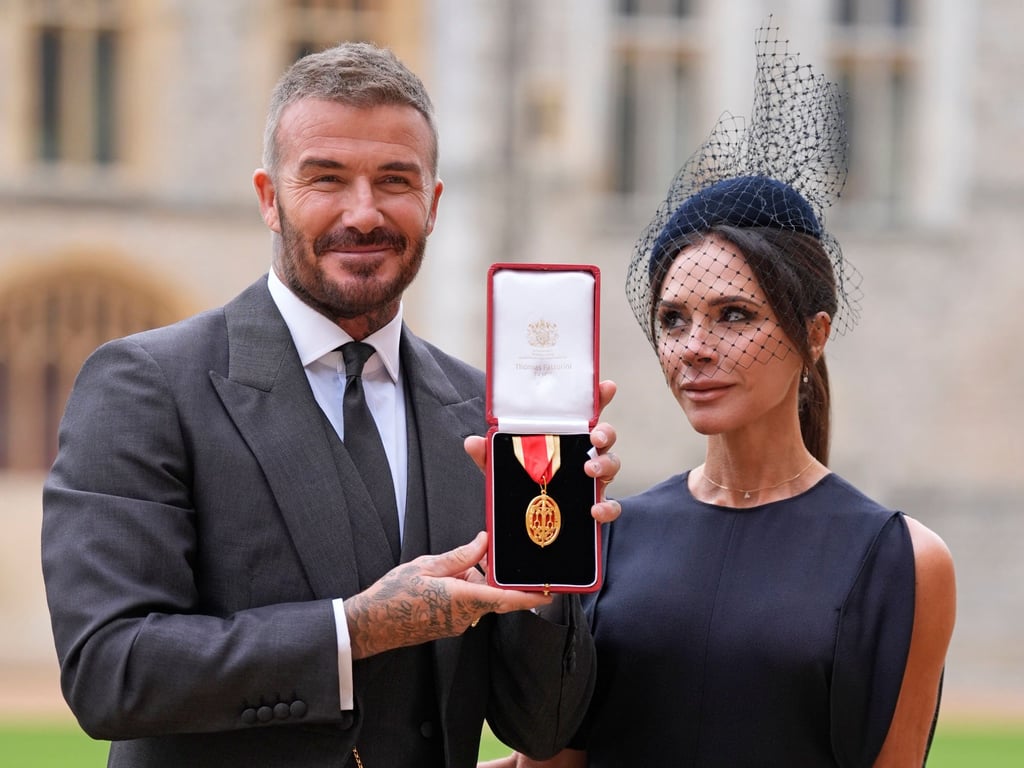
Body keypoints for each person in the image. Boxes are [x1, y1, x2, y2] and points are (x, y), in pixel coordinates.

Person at [41, 41, 622, 768]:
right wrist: (354, 631)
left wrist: (548, 562)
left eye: (394, 180)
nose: (365, 212)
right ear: (268, 198)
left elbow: (541, 728)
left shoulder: (487, 415)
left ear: (434, 204)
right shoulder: (147, 385)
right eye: (326, 178)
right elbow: (109, 671)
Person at [482, 24, 956, 768]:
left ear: (815, 334)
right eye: (673, 320)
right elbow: (548, 761)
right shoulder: (603, 534)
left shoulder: (901, 560)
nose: (693, 347)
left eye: (735, 316)